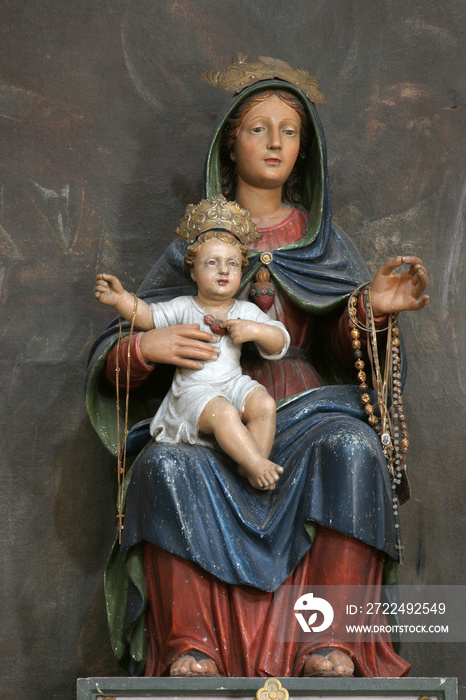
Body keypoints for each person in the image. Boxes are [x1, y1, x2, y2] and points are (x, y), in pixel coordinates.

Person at [86, 55, 429, 678]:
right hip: (206, 417)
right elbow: (123, 340)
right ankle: (193, 644)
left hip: (305, 408)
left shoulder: (322, 243)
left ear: (307, 149)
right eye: (258, 129)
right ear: (229, 142)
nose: (275, 143)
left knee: (352, 450)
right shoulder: (194, 246)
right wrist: (148, 348)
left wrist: (369, 311)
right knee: (163, 468)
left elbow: (335, 343)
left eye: (290, 130)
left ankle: (332, 641)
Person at [94, 197, 289, 491]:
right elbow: (147, 317)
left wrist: (256, 330)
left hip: (233, 383)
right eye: (212, 263)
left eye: (232, 264)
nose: (224, 270)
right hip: (194, 392)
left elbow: (280, 340)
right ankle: (256, 465)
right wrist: (120, 299)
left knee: (264, 403)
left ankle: (252, 464)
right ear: (194, 271)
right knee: (222, 413)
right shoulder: (185, 307)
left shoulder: (244, 310)